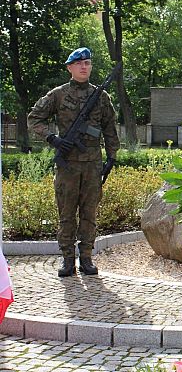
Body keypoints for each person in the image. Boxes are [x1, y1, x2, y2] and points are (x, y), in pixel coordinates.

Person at [28, 47, 120, 277]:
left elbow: (110, 128)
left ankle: (86, 258)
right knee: (66, 214)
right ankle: (68, 259)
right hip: (68, 165)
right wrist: (53, 138)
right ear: (70, 67)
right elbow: (34, 118)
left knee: (89, 213)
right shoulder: (58, 95)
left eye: (88, 63)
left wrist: (112, 156)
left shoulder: (100, 96)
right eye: (79, 64)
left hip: (92, 165)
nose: (84, 67)